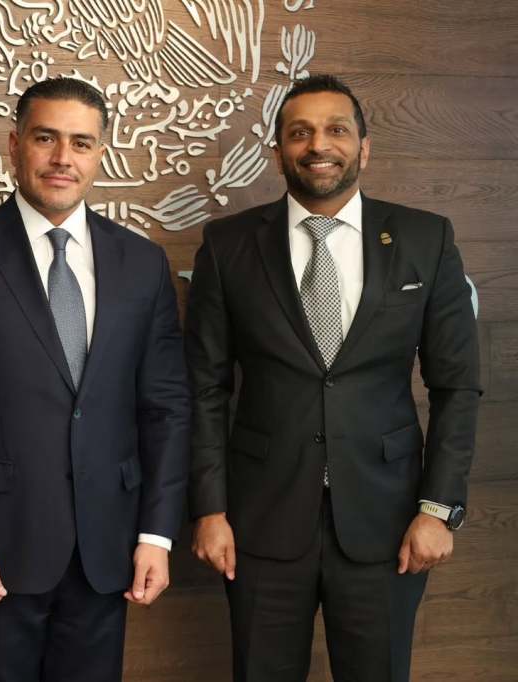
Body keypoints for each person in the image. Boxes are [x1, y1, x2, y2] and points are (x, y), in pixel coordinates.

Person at [0, 77, 190, 682]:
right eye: (46, 138)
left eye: (81, 143)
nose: (62, 158)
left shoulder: (142, 263)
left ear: (100, 153)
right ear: (14, 144)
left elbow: (166, 406)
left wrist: (157, 533)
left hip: (107, 552)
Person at [186, 74, 480, 681]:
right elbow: (204, 388)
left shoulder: (427, 239)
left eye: (336, 130)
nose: (319, 145)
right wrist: (209, 508)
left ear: (364, 148)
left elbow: (457, 387)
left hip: (389, 522)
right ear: (279, 152)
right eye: (300, 132)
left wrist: (439, 508)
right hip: (259, 522)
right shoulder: (227, 244)